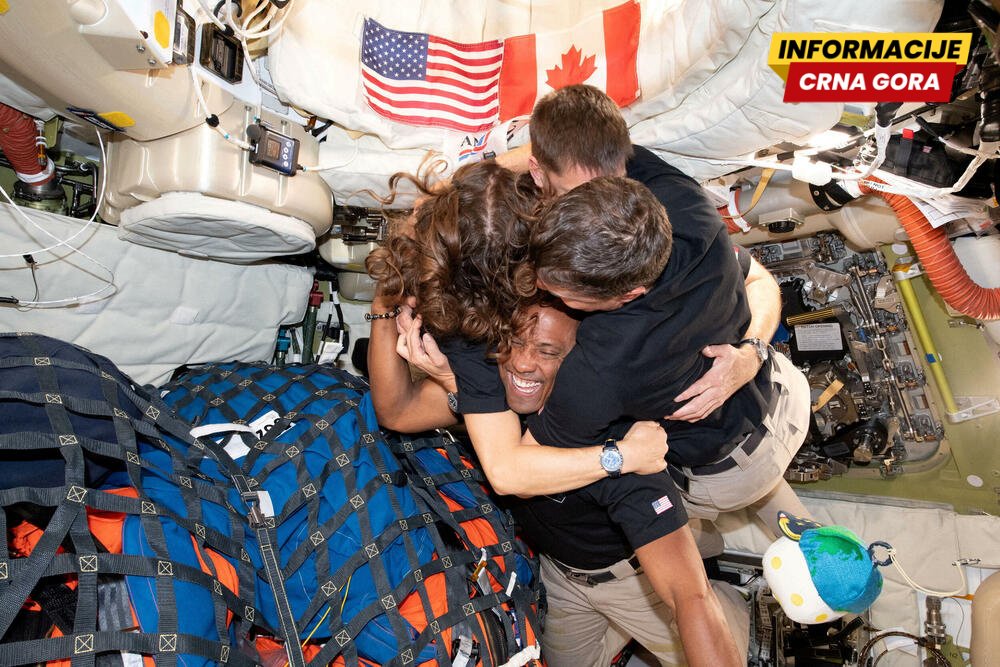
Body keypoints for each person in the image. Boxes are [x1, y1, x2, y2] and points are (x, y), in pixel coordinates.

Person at [367, 159, 746, 666]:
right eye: (513, 345)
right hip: (558, 576)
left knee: (715, 616)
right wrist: (389, 296)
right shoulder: (496, 390)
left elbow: (687, 595)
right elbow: (396, 411)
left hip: (628, 581)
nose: (525, 363)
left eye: (549, 352)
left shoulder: (620, 442)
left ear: (577, 364)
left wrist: (750, 355)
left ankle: (735, 600)